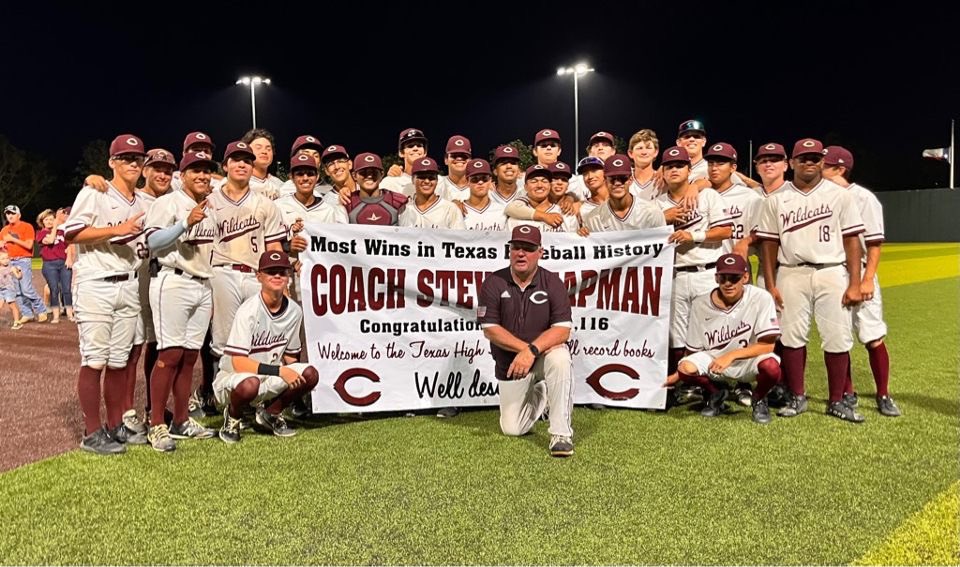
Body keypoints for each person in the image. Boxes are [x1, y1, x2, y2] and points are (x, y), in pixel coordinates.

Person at [755, 138, 866, 423]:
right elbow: (769, 244)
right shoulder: (776, 199)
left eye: (815, 158)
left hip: (832, 269)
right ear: (792, 162)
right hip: (791, 271)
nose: (809, 162)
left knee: (838, 335)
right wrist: (771, 283)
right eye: (803, 158)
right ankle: (797, 396)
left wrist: (855, 282)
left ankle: (837, 400)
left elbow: (852, 240)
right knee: (791, 335)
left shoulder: (840, 195)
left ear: (822, 162)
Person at [63, 134, 150, 454]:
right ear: (112, 162)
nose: (132, 163)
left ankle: (115, 426)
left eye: (137, 158)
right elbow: (71, 233)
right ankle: (91, 431)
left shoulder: (143, 201)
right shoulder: (94, 192)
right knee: (95, 359)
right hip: (96, 283)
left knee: (118, 361)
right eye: (125, 158)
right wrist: (116, 230)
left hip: (129, 283)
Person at [142, 150, 220, 451]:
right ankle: (156, 424)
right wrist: (184, 223)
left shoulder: (209, 206)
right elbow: (153, 242)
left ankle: (181, 420)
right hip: (173, 280)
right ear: (183, 175)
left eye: (206, 170)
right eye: (195, 170)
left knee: (189, 356)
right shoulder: (168, 202)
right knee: (171, 353)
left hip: (202, 283)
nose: (202, 175)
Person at [203, 141, 286, 414]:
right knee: (223, 341)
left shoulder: (265, 203)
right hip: (221, 272)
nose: (242, 164)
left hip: (254, 275)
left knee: (258, 340)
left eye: (247, 160)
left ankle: (255, 397)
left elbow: (273, 246)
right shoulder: (209, 200)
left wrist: (276, 282)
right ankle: (223, 399)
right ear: (225, 165)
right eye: (236, 159)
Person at [477, 225, 575, 457]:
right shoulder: (493, 282)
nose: (521, 253)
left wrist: (532, 351)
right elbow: (490, 330)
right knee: (512, 429)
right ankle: (541, 393)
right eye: (516, 247)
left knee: (560, 358)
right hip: (512, 366)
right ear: (509, 251)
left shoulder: (552, 282)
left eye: (528, 249)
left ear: (540, 252)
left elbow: (562, 330)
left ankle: (561, 434)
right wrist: (526, 351)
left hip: (541, 358)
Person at [821, 146, 900, 417]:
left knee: (872, 335)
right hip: (834, 272)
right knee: (838, 337)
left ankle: (883, 394)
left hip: (862, 269)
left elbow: (874, 243)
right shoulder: (822, 196)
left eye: (823, 164)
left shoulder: (863, 198)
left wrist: (867, 280)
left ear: (839, 169)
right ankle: (847, 391)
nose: (818, 167)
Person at [215, 251, 319, 444]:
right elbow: (238, 363)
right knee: (250, 384)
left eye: (282, 272)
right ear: (259, 276)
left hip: (269, 378)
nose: (277, 276)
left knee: (310, 374)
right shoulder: (248, 311)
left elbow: (291, 357)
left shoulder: (295, 311)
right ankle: (233, 416)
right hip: (234, 380)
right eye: (271, 272)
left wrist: (295, 383)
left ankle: (271, 413)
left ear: (288, 277)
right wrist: (281, 371)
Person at [666, 254, 783, 423]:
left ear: (745, 278)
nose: (728, 283)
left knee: (771, 367)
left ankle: (759, 398)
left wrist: (731, 355)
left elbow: (767, 346)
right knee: (685, 367)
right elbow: (692, 351)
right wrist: (678, 375)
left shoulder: (761, 297)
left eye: (734, 278)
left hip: (747, 361)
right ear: (716, 278)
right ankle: (716, 394)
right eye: (723, 278)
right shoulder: (700, 303)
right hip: (714, 362)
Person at [655, 146, 733, 377]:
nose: (674, 170)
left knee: (711, 330)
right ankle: (686, 383)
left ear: (689, 170)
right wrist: (662, 219)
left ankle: (716, 382)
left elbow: (725, 230)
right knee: (677, 335)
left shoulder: (708, 195)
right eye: (669, 166)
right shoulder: (657, 204)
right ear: (663, 172)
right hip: (675, 274)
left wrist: (694, 235)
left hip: (706, 272)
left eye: (680, 165)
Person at [580, 155, 666, 233]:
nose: (617, 183)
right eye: (612, 179)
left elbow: (663, 241)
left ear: (630, 180)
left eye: (623, 178)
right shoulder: (594, 219)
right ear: (605, 181)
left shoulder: (651, 212)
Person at [2, 205, 47, 324]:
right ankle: (27, 313)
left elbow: (29, 245)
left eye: (12, 213)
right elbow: (2, 247)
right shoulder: (4, 230)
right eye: (8, 213)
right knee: (16, 291)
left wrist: (12, 239)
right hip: (10, 262)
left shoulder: (27, 226)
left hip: (23, 260)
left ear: (19, 215)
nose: (10, 215)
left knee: (26, 289)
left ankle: (41, 310)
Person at [399, 157, 465, 229]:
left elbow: (460, 236)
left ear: (437, 180)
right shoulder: (404, 209)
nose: (427, 181)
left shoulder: (450, 209)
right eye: (422, 177)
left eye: (431, 177)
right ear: (412, 180)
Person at [342, 153, 408, 225]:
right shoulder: (347, 203)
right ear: (354, 176)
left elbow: (407, 229)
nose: (369, 176)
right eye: (363, 173)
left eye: (374, 172)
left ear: (382, 174)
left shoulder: (397, 202)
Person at [36, 209, 73, 324]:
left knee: (67, 289)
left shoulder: (62, 232)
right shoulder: (41, 233)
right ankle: (56, 316)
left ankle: (70, 314)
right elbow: (51, 240)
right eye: (46, 219)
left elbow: (69, 245)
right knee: (54, 289)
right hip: (50, 264)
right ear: (42, 222)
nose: (49, 221)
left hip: (63, 263)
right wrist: (56, 224)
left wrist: (69, 258)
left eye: (51, 219)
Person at [461, 159, 507, 231]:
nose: (480, 182)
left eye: (484, 178)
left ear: (490, 180)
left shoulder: (502, 210)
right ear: (467, 182)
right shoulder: (459, 210)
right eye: (475, 179)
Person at [380, 128, 428, 198]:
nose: (415, 148)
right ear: (401, 153)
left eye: (419, 145)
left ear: (425, 152)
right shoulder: (391, 182)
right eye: (410, 146)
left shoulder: (437, 182)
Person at [241, 128, 284, 200]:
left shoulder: (280, 185)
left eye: (268, 149)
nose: (264, 151)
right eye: (258, 148)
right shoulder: (239, 183)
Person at [627, 129, 660, 201]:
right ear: (630, 153)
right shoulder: (624, 180)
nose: (644, 152)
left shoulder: (662, 179)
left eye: (648, 148)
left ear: (656, 152)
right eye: (639, 148)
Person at [437, 135, 473, 202]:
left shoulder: (480, 185)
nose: (459, 158)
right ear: (446, 160)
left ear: (470, 160)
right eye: (454, 155)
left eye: (464, 156)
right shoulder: (436, 182)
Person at [0, 250, 23, 329]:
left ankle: (17, 322)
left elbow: (18, 277)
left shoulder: (11, 268)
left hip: (9, 289)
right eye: (3, 259)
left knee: (12, 305)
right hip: (1, 290)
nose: (5, 260)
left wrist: (19, 271)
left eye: (7, 258)